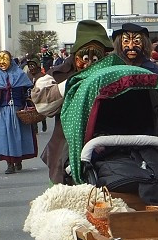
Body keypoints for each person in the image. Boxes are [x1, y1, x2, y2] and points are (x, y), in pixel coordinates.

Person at [32, 20, 113, 184]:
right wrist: (70, 84)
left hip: (108, 147)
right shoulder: (59, 74)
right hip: (66, 151)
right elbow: (41, 103)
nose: (90, 64)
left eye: (96, 57)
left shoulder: (113, 71)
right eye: (84, 57)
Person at [0, 50, 36, 174]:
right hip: (1, 111)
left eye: (5, 59)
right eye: (0, 59)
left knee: (17, 136)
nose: (3, 62)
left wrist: (28, 97)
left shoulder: (19, 74)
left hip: (17, 110)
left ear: (11, 60)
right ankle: (9, 163)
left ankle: (18, 159)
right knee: (4, 137)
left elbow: (29, 88)